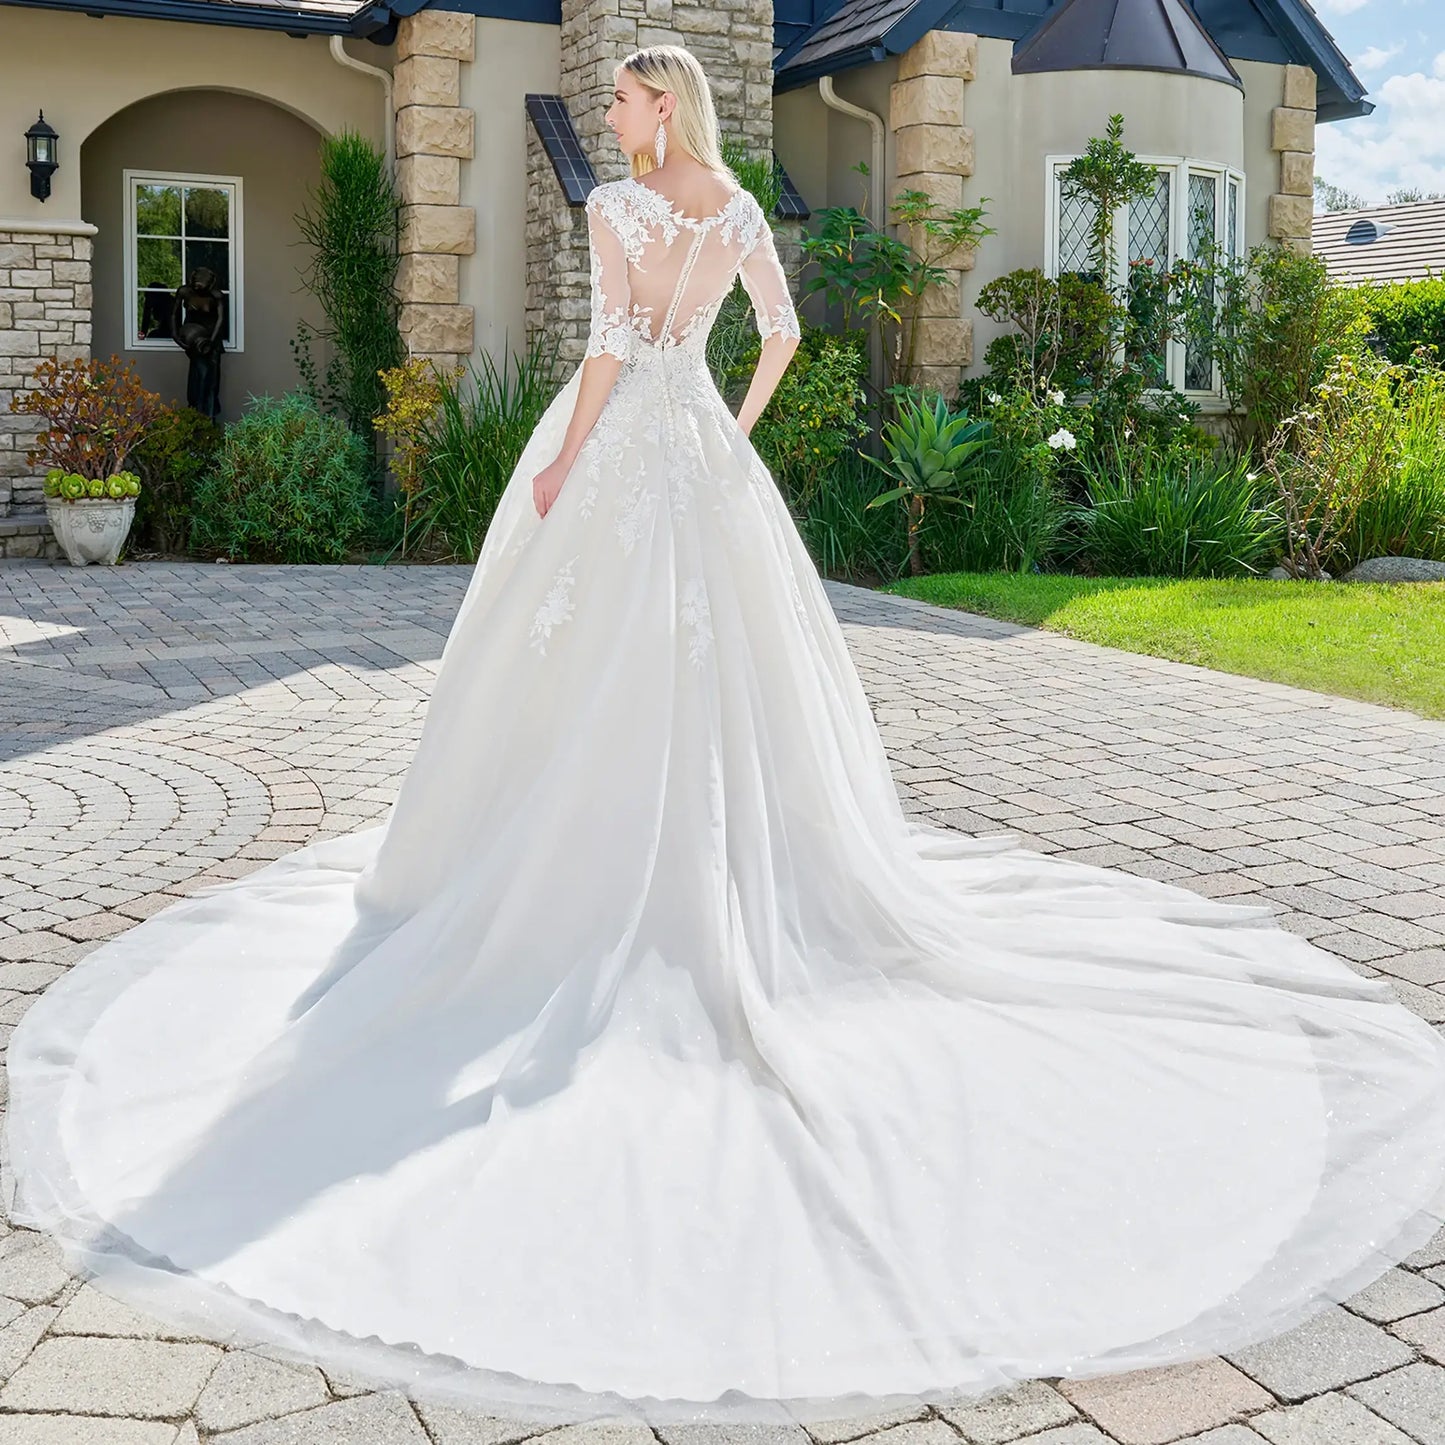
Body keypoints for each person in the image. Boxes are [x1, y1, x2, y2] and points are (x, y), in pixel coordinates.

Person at [4, 42, 1445, 1432]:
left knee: (573, 655)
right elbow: (786, 331)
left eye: (625, 97)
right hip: (704, 455)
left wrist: (560, 464)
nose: (615, 116)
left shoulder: (620, 205)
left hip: (632, 444)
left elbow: (603, 358)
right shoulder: (740, 208)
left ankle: (562, 874)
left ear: (655, 106)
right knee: (720, 674)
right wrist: (737, 425)